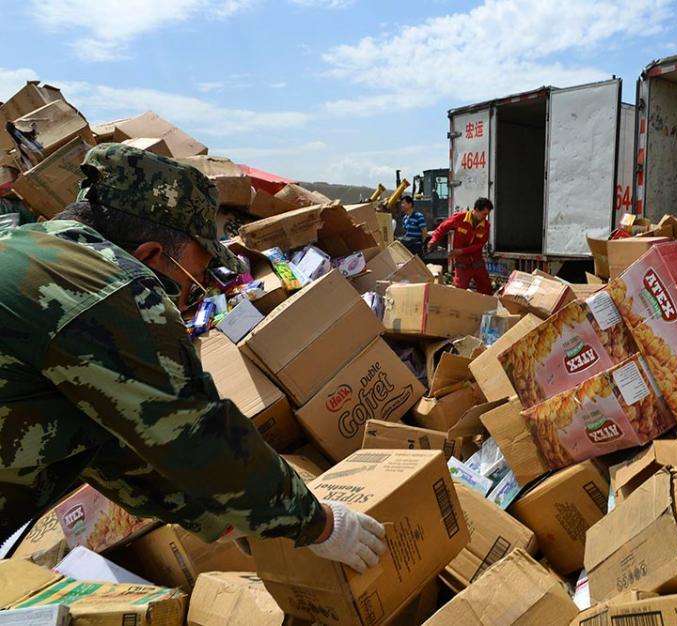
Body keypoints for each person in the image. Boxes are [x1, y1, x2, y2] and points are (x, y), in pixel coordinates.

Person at [0, 144, 385, 573]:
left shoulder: (31, 250)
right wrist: (320, 525)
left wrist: (224, 519)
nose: (198, 288)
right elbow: (194, 434)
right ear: (150, 255)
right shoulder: (103, 288)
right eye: (199, 272)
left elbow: (111, 450)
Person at [426, 197, 494, 294]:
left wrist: (461, 251)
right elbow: (442, 228)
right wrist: (433, 240)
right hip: (462, 263)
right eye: (484, 214)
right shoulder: (459, 218)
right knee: (459, 291)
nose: (485, 217)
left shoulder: (486, 225)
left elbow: (480, 245)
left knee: (486, 288)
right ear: (476, 210)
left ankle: (485, 308)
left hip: (477, 262)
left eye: (487, 215)